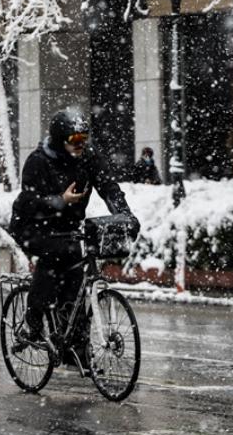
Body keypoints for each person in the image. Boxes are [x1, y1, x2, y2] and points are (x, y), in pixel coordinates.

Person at [8, 109, 139, 368]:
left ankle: (73, 347)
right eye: (74, 140)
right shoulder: (38, 162)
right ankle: (33, 324)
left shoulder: (87, 158)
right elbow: (28, 202)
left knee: (76, 280)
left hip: (68, 226)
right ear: (60, 140)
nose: (81, 146)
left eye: (84, 140)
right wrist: (60, 200)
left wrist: (125, 215)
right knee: (56, 257)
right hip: (32, 225)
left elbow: (108, 187)